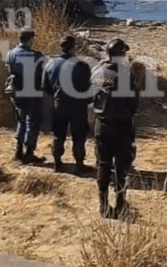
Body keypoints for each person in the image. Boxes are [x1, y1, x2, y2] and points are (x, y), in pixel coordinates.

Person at [91, 38, 140, 219]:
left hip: (102, 126)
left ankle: (103, 204)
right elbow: (135, 104)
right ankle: (120, 203)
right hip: (122, 128)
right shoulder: (126, 75)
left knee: (103, 165)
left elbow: (90, 95)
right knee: (122, 166)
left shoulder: (98, 72)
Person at [42, 35, 92, 173]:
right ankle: (79, 164)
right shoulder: (81, 65)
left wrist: (56, 94)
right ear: (74, 47)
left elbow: (45, 86)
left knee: (58, 135)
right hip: (78, 104)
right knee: (78, 135)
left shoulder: (50, 64)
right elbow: (87, 87)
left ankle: (57, 163)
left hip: (59, 103)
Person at [6, 28, 46, 165]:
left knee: (21, 120)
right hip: (32, 92)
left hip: (16, 92)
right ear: (30, 39)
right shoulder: (36, 56)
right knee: (32, 122)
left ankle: (18, 152)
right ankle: (29, 152)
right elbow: (42, 74)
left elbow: (10, 70)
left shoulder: (10, 53)